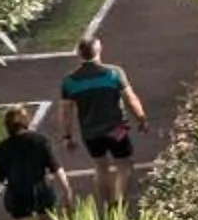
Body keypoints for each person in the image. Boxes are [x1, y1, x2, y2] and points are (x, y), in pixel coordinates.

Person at [58, 34, 146, 209]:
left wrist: (67, 136)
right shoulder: (114, 73)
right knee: (123, 164)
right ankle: (119, 200)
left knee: (100, 166)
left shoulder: (69, 81)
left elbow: (65, 112)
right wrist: (141, 118)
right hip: (116, 129)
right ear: (99, 50)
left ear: (79, 54)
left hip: (90, 133)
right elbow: (130, 99)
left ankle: (107, 205)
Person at [0, 105, 62, 220]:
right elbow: (55, 167)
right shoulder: (40, 140)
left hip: (17, 195)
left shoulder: (2, 148)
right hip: (41, 192)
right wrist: (67, 189)